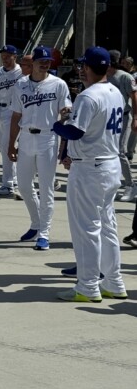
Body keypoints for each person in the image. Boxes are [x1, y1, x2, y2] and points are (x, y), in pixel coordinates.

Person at [53, 47, 128, 302]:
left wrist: (58, 124)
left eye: (83, 66)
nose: (81, 71)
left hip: (90, 168)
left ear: (86, 67)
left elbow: (75, 132)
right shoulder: (115, 91)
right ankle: (114, 282)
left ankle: (87, 286)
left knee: (87, 228)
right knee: (107, 227)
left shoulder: (88, 96)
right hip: (110, 164)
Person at [7, 46, 71, 250]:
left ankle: (44, 233)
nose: (45, 63)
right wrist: (11, 144)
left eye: (48, 61)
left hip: (48, 138)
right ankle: (36, 223)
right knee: (24, 186)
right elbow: (16, 116)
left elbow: (65, 115)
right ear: (32, 63)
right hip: (26, 138)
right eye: (41, 60)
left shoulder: (58, 84)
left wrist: (65, 144)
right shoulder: (20, 85)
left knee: (46, 188)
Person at [0, 45, 22, 197]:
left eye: (8, 56)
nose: (5, 58)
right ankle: (13, 180)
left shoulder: (21, 72)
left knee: (8, 147)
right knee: (5, 148)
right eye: (3, 56)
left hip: (14, 111)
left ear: (15, 56)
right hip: (0, 111)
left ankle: (8, 184)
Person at [105, 50, 137, 201]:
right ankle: (112, 182)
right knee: (108, 150)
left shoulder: (124, 77)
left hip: (123, 117)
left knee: (120, 151)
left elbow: (134, 97)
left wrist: (135, 118)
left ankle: (130, 185)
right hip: (107, 117)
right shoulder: (103, 75)